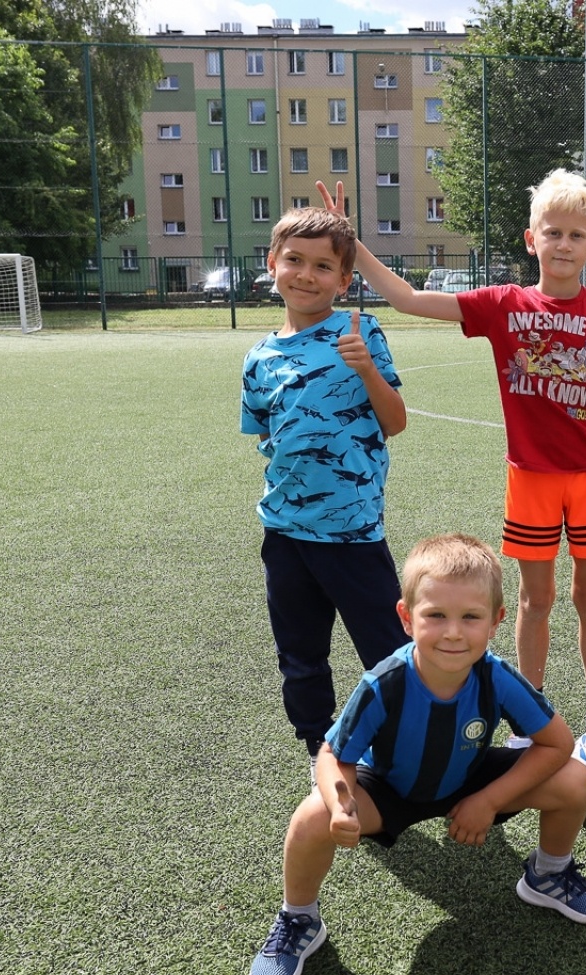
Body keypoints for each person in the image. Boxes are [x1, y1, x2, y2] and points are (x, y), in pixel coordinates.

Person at [314, 172, 586, 732]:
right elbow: (408, 299)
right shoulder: (503, 304)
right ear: (531, 240)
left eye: (576, 235)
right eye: (552, 232)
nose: (563, 244)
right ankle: (528, 707)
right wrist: (350, 241)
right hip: (530, 478)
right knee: (536, 599)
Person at [248, 533, 586, 975]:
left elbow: (557, 744)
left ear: (497, 620)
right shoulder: (385, 682)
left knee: (575, 778)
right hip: (391, 789)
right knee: (311, 816)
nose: (454, 632)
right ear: (406, 617)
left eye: (470, 617)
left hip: (468, 780)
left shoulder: (497, 677)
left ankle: (548, 873)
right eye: (436, 615)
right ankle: (299, 918)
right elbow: (332, 755)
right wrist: (340, 804)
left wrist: (488, 799)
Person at [241, 207, 409, 765]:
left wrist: (365, 370)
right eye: (294, 261)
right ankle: (321, 748)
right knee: (300, 653)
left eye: (322, 266)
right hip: (285, 531)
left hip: (353, 530)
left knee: (389, 653)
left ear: (344, 279)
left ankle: (407, 748)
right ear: (272, 264)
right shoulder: (259, 357)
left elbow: (395, 421)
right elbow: (266, 434)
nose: (306, 275)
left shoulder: (358, 330)